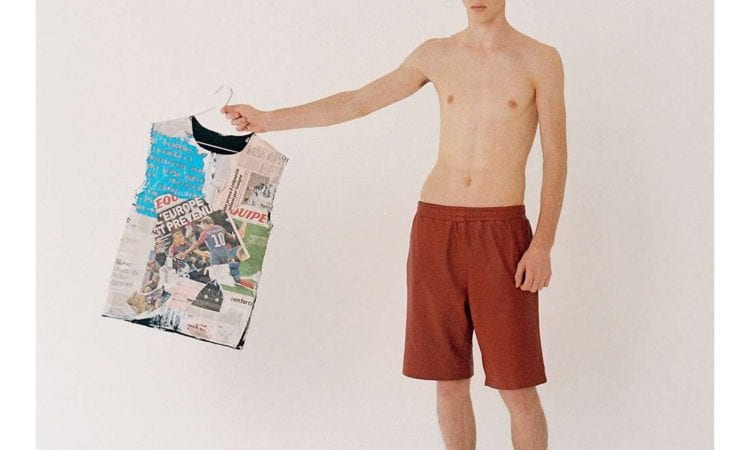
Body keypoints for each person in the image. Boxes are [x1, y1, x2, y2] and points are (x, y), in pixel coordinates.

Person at [222, 1, 566, 448]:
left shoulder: (539, 59)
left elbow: (556, 157)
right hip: (436, 226)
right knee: (448, 379)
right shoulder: (436, 53)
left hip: (501, 231)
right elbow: (358, 102)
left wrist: (543, 244)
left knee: (517, 386)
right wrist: (270, 119)